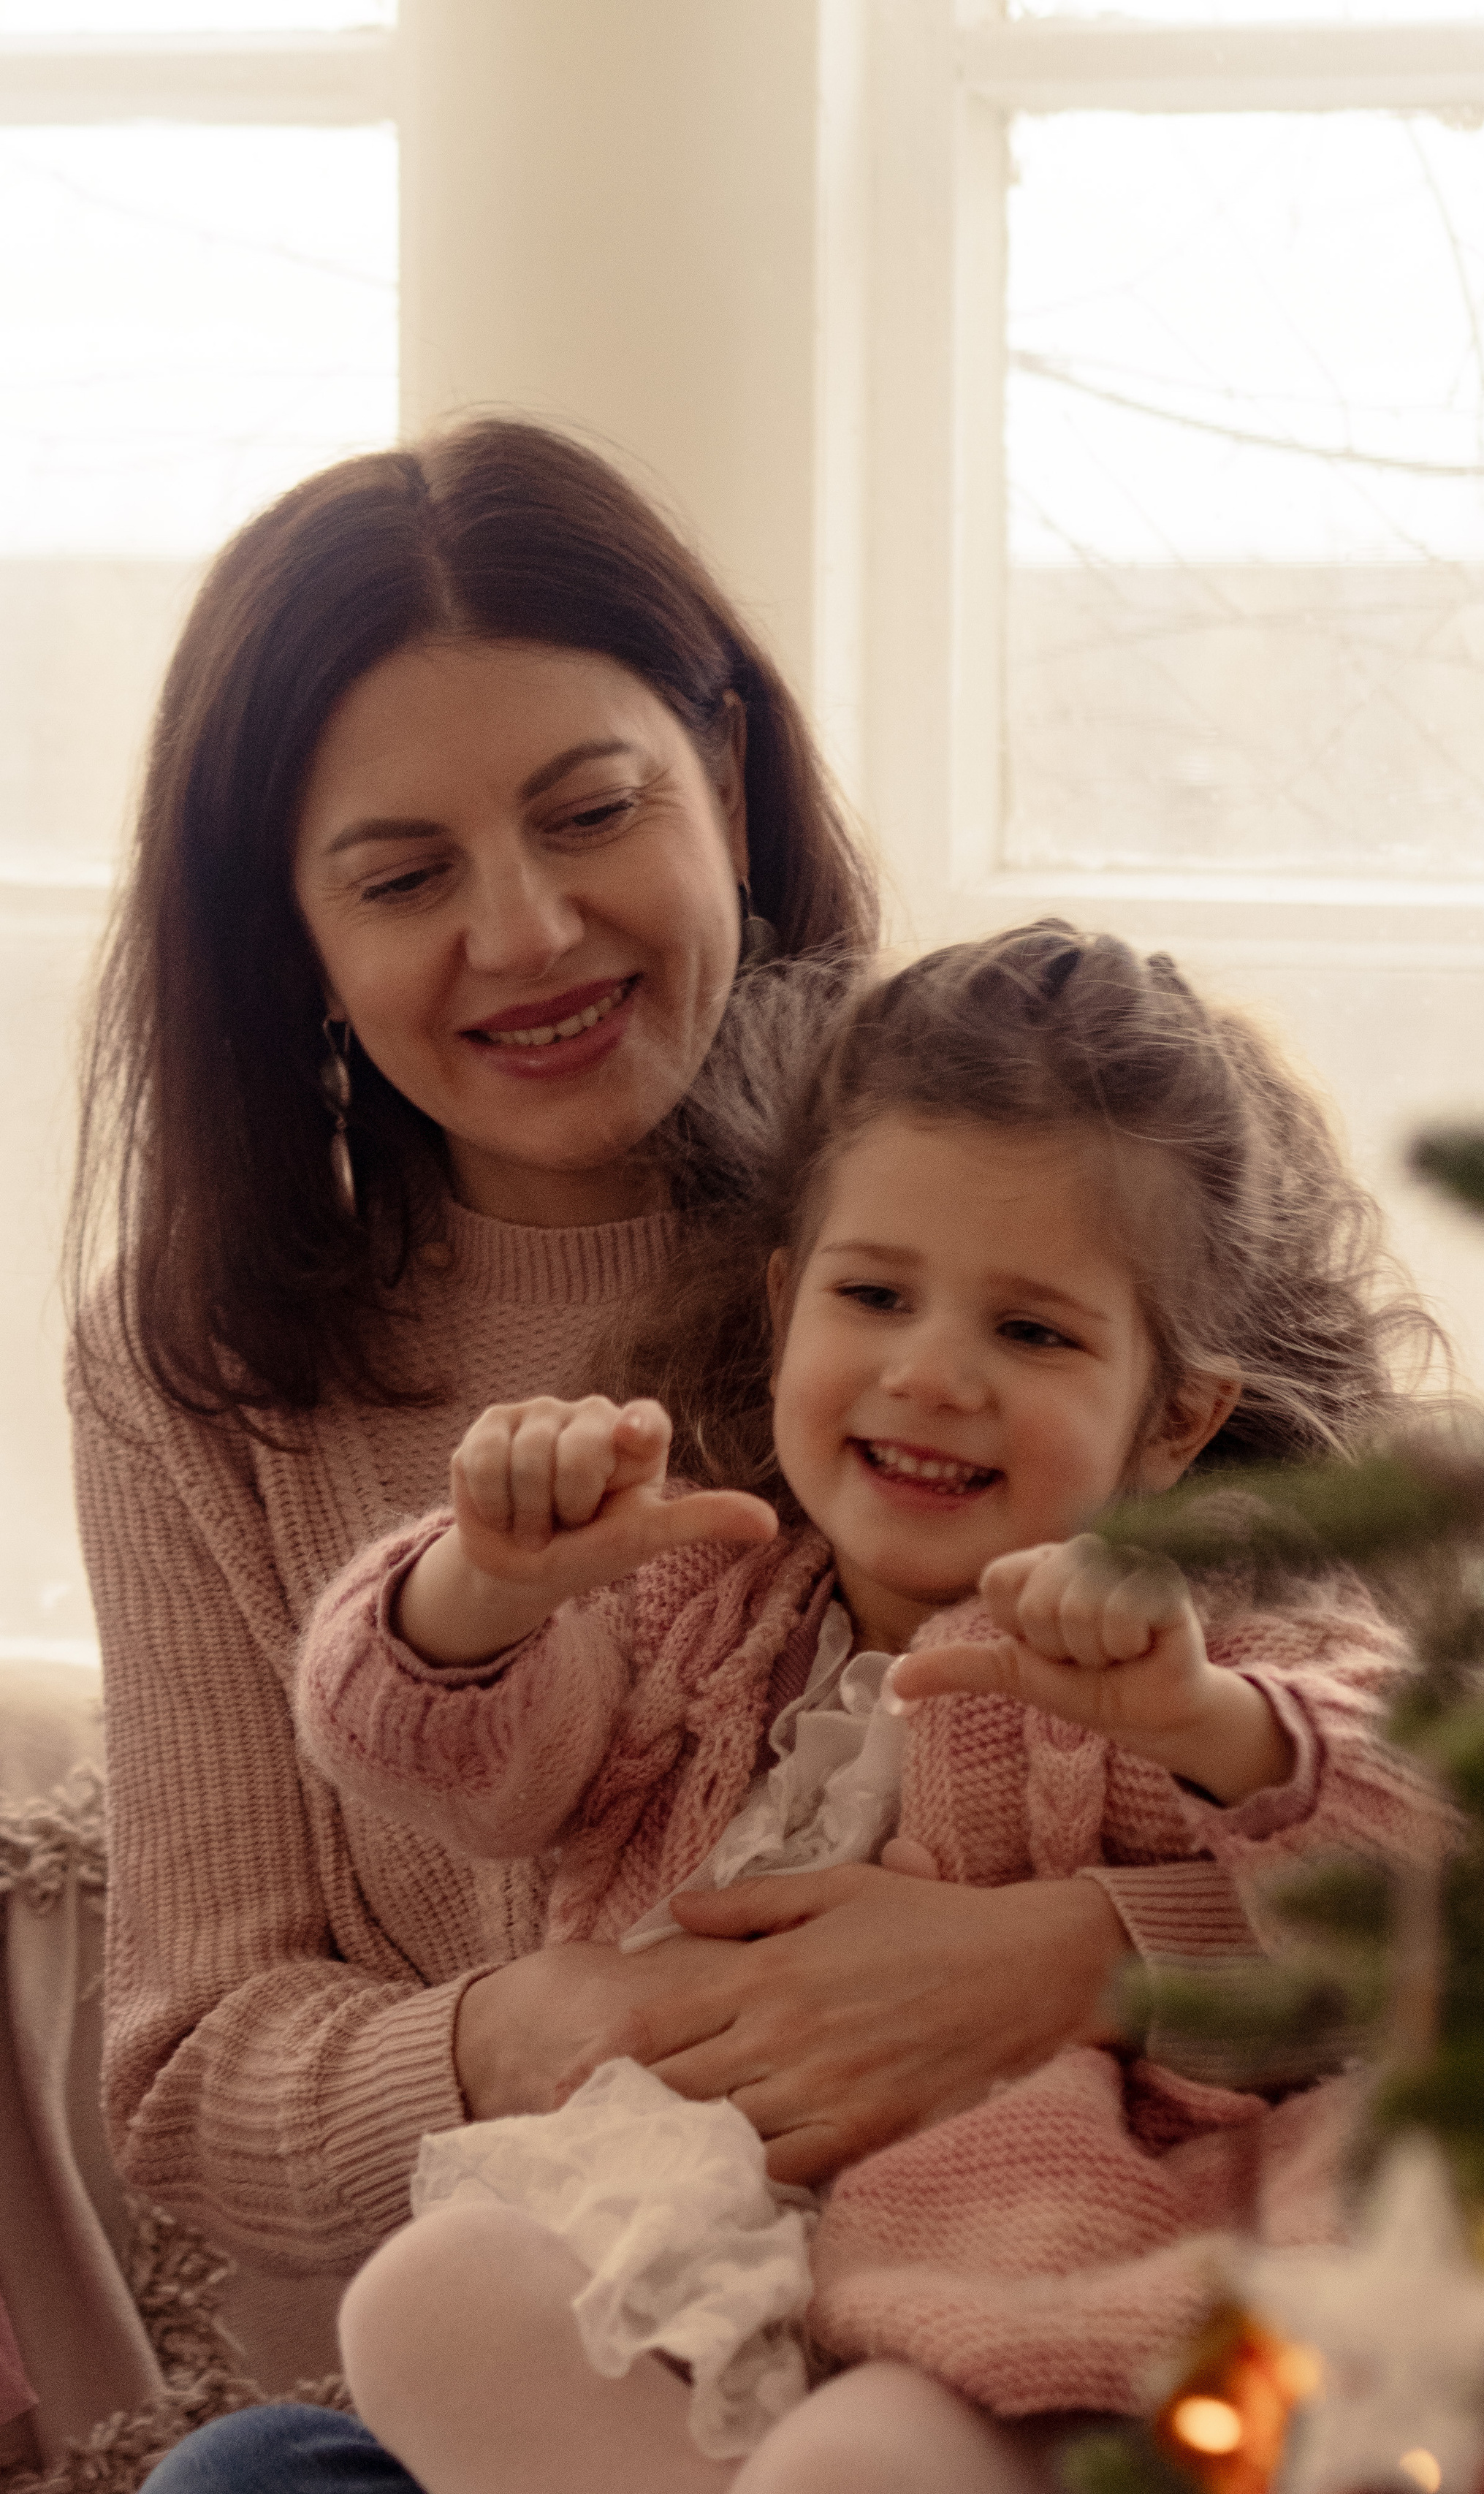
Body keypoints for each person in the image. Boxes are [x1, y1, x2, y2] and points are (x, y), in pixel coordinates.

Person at [69, 422, 1287, 2494]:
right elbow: (193, 2066)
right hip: (594, 2361)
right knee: (246, 2480)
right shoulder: (197, 1368)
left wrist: (1076, 1955)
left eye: (591, 810)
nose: (529, 930)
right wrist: (546, 2022)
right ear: (289, 929)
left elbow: (1451, 1813)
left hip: (1044, 2319)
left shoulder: (1002, 1193)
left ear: (723, 772)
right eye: (400, 875)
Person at [292, 927, 1447, 2494]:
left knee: (862, 2464)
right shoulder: (701, 1600)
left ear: (1171, 1420)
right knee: (428, 2305)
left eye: (1029, 1331)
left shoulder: (1192, 1624)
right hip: (718, 2267)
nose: (930, 1374)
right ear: (783, 1308)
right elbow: (447, 1763)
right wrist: (483, 1588)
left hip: (1029, 2286)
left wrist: (1201, 1718)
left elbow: (1436, 1833)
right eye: (875, 1295)